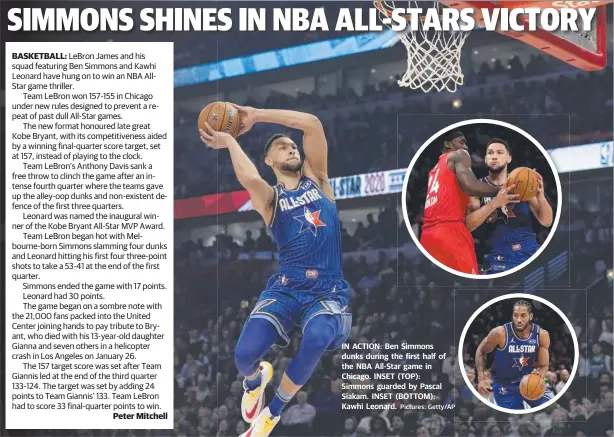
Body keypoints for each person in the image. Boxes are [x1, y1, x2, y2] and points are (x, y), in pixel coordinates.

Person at [199, 105, 352, 437]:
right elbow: (250, 179)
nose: (292, 147)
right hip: (286, 288)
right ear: (269, 160)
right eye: (282, 146)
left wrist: (256, 114)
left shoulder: (319, 180)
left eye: (293, 145)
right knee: (243, 356)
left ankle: (271, 414)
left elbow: (312, 123)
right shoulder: (271, 199)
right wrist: (229, 141)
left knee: (317, 338)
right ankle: (255, 382)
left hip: (325, 289)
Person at [465, 138, 553, 273]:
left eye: (500, 152)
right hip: (499, 258)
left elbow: (546, 221)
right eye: (490, 153)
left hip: (529, 251)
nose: (494, 156)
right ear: (485, 159)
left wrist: (540, 196)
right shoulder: (476, 189)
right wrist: (494, 203)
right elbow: (468, 226)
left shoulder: (521, 182)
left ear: (509, 159)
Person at [418, 130, 500, 275]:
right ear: (448, 144)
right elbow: (471, 187)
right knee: (471, 285)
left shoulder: (434, 171)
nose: (465, 147)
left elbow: (472, 204)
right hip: (450, 232)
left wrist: (487, 207)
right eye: (461, 142)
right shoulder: (459, 155)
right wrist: (501, 189)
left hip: (427, 237)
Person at [475, 300, 553, 410]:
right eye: (515, 316)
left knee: (553, 407)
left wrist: (539, 376)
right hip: (505, 386)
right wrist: (481, 378)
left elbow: (544, 365)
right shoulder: (500, 333)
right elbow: (480, 351)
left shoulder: (541, 335)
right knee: (514, 420)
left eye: (523, 316)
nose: (519, 320)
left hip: (528, 381)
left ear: (530, 316)